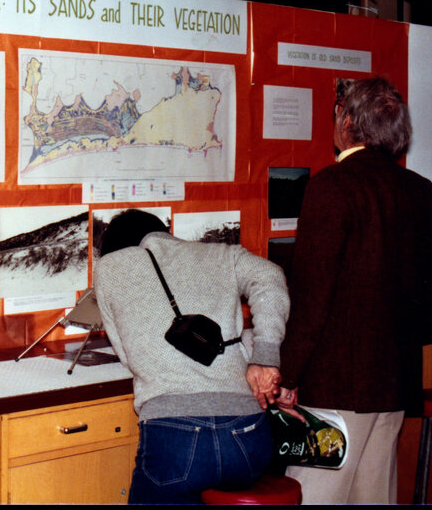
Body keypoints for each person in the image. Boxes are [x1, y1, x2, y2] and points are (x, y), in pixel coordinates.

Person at [275, 76, 432, 504]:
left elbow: (312, 297)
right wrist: (398, 336)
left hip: (336, 385)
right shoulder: (421, 190)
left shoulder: (331, 185)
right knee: (374, 496)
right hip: (393, 381)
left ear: (347, 120)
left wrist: (288, 374)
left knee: (312, 494)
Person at [93, 209, 289, 504]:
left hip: (174, 439)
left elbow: (127, 355)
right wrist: (264, 356)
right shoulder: (223, 254)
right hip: (249, 440)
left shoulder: (110, 267)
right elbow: (271, 276)